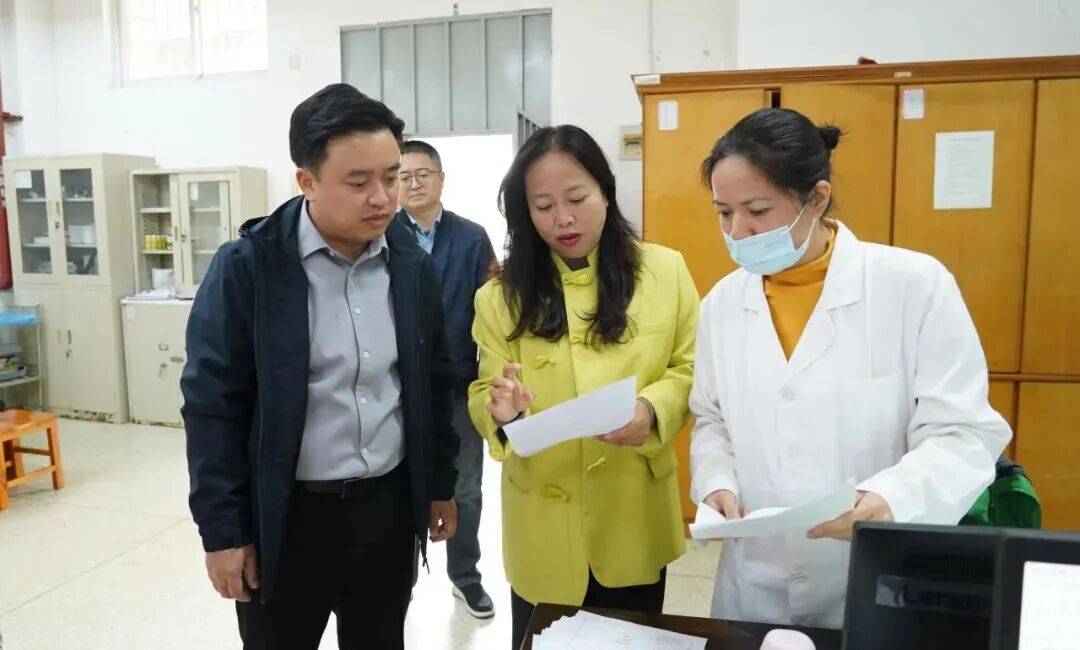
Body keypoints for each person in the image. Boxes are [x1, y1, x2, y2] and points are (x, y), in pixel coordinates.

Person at [689, 107, 1012, 629]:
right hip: (756, 580)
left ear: (816, 198)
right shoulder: (722, 304)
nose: (739, 232)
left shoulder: (913, 286)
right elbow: (711, 417)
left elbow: (963, 433)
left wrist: (891, 498)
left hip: (874, 570)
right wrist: (716, 480)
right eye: (724, 213)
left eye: (757, 210)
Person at [181, 83, 460, 650]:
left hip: (386, 513)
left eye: (391, 177)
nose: (382, 197)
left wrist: (439, 485)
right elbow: (212, 407)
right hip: (287, 519)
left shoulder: (409, 264)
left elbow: (433, 381)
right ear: (306, 182)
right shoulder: (250, 268)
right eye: (358, 183)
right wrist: (224, 531)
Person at [467, 125, 700, 650]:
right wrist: (501, 411)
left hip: (632, 511)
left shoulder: (664, 271)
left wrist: (651, 410)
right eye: (543, 206)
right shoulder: (499, 296)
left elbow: (689, 369)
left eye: (576, 199)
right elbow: (483, 390)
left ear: (605, 192)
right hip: (543, 520)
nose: (563, 219)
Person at [396, 139, 498, 618]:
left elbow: (493, 310)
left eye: (423, 174)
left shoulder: (472, 237)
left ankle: (466, 576)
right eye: (403, 176)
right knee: (396, 487)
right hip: (395, 389)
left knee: (466, 489)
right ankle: (398, 578)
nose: (414, 183)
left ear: (441, 179)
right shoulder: (381, 234)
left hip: (457, 385)